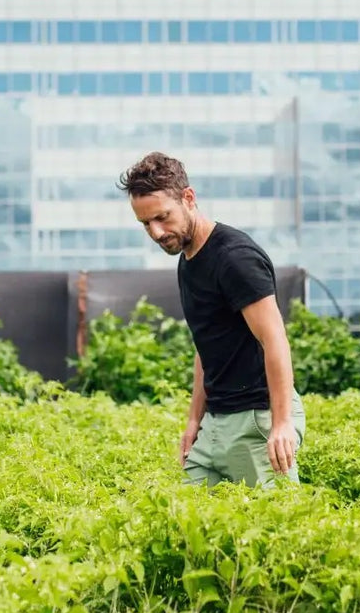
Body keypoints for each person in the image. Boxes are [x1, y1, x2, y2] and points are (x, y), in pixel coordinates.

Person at [119, 151, 306, 487]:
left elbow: (274, 338)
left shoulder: (235, 259)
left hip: (256, 417)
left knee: (278, 530)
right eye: (146, 223)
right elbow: (207, 344)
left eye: (162, 217)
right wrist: (195, 420)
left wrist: (281, 424)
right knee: (188, 528)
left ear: (188, 198)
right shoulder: (188, 259)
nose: (157, 232)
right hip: (216, 423)